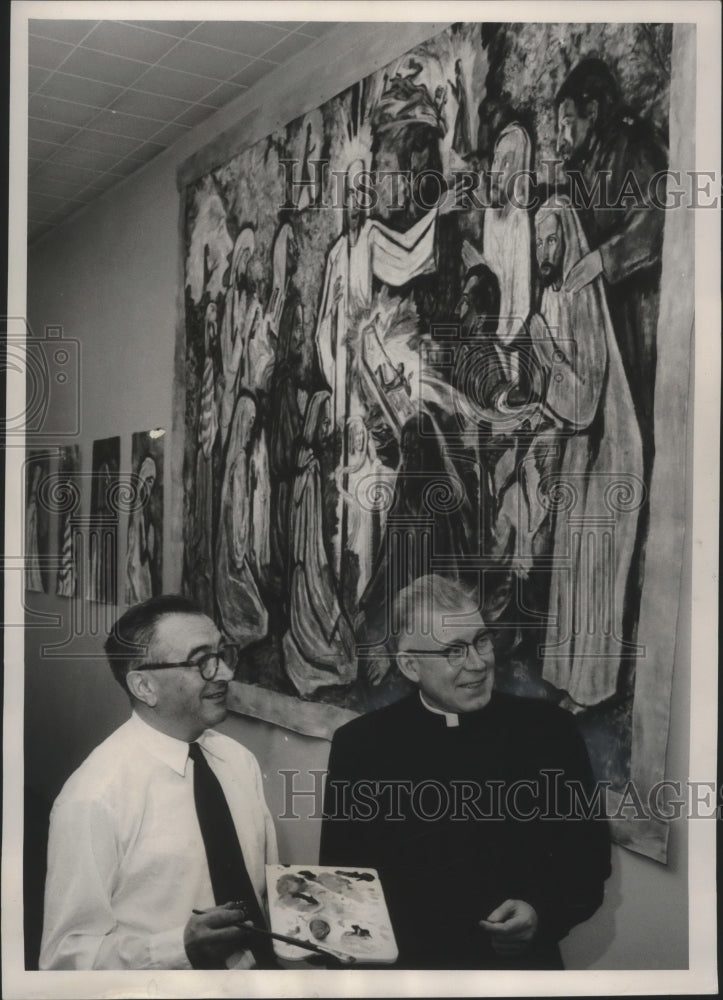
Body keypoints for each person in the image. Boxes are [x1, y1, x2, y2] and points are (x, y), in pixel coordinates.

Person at [321, 574, 611, 970]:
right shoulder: (359, 745)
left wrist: (540, 913)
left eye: (481, 641)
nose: (478, 663)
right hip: (409, 974)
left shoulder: (550, 731)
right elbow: (342, 883)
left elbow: (589, 862)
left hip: (517, 972)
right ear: (410, 665)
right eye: (454, 651)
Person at [40, 594, 278, 970]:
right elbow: (63, 959)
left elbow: (264, 891)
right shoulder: (93, 798)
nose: (226, 674)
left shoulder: (238, 761)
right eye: (202, 661)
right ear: (144, 687)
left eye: (223, 654)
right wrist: (178, 948)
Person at [531, 195, 643, 710]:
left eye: (551, 239)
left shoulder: (581, 291)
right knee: (571, 561)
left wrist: (544, 348)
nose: (543, 251)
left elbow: (585, 398)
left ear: (568, 239)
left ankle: (590, 689)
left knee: (593, 567)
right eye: (538, 242)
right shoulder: (554, 294)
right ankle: (566, 678)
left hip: (608, 450)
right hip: (582, 448)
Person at [554, 56, 667, 482]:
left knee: (640, 419)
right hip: (602, 315)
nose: (562, 137)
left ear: (593, 110)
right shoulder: (582, 163)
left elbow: (655, 217)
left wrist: (603, 258)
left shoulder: (634, 145)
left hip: (638, 311)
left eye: (567, 123)